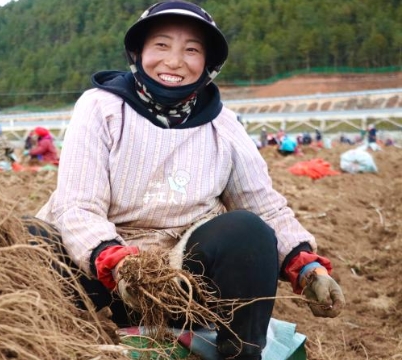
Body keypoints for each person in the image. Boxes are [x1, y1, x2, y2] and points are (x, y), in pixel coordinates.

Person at [26, 2, 345, 359]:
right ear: (138, 53)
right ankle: (57, 340)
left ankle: (240, 352)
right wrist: (119, 263)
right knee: (26, 236)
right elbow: (77, 205)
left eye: (191, 50)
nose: (174, 62)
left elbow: (264, 206)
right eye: (161, 45)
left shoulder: (224, 127)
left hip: (177, 285)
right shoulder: (100, 108)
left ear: (208, 64)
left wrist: (307, 267)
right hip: (97, 274)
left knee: (248, 230)